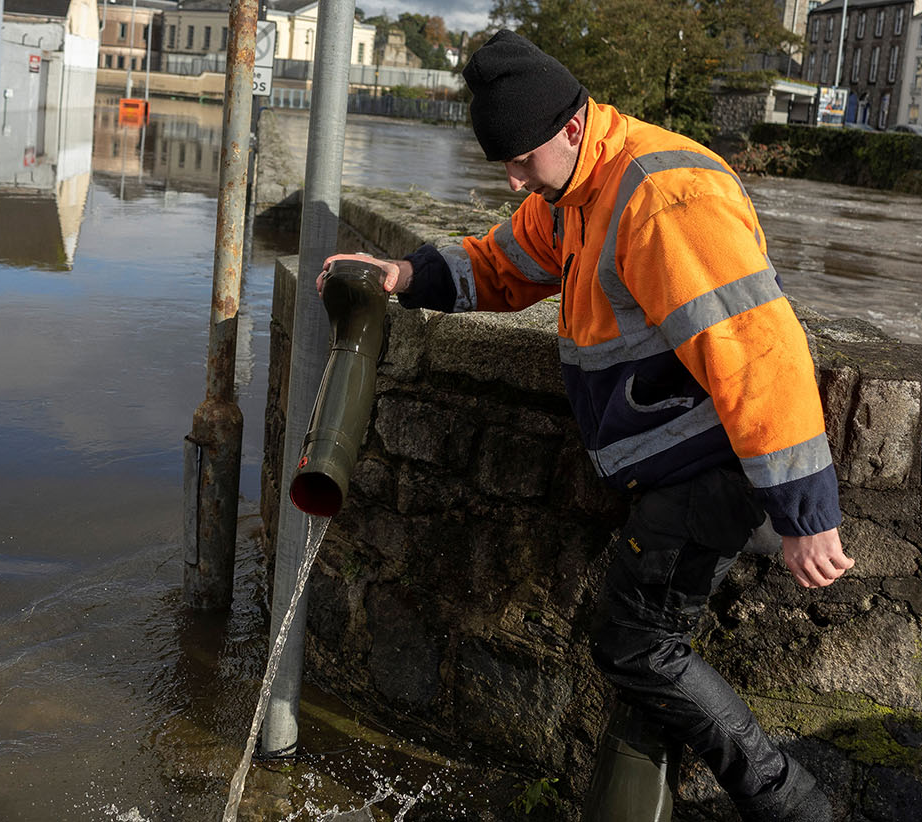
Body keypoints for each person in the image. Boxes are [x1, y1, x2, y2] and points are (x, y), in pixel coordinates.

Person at [321, 30, 854, 822]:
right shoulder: (576, 191)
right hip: (673, 470)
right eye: (499, 163)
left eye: (520, 160)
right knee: (648, 651)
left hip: (708, 471)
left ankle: (798, 808)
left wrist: (808, 516)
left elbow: (759, 354)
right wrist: (404, 275)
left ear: (571, 127)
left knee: (637, 648)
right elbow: (503, 265)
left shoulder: (663, 198)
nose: (511, 181)